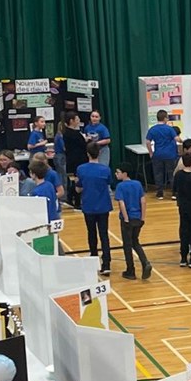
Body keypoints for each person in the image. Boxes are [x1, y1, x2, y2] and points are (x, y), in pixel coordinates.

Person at [76, 142, 114, 274]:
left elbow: (79, 187)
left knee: (91, 233)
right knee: (104, 234)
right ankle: (107, 263)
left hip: (88, 205)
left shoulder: (81, 169)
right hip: (103, 205)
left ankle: (93, 260)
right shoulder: (105, 169)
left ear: (87, 154)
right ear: (99, 153)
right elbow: (109, 182)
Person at [113, 166, 151, 280]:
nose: (116, 174)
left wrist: (125, 218)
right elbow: (143, 201)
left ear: (125, 173)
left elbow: (122, 203)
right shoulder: (138, 184)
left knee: (127, 245)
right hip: (138, 218)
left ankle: (131, 270)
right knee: (135, 242)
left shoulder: (120, 186)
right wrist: (142, 218)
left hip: (128, 219)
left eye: (118, 172)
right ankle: (145, 262)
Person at [146, 110, 180, 200]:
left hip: (158, 155)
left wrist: (150, 152)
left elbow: (148, 141)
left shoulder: (152, 129)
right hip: (170, 154)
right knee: (171, 173)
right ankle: (174, 193)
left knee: (158, 174)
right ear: (165, 118)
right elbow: (176, 139)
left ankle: (160, 193)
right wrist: (182, 140)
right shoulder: (170, 129)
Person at [60, 114, 88, 205]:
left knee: (75, 180)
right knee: (78, 181)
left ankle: (70, 198)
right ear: (72, 121)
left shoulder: (67, 133)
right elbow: (82, 145)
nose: (79, 120)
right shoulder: (73, 133)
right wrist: (86, 140)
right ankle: (76, 202)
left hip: (73, 159)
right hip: (77, 160)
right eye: (77, 119)